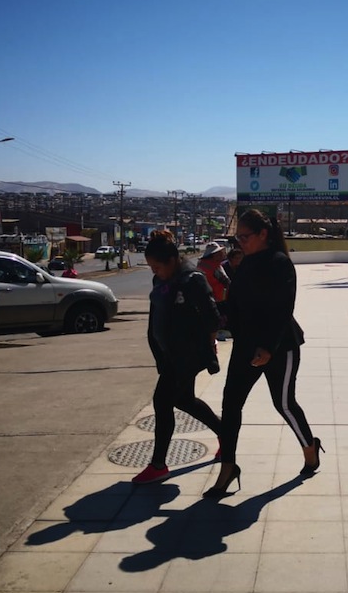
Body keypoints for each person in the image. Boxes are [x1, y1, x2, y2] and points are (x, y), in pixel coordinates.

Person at [204, 209, 322, 498]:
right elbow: (237, 306)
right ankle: (228, 467)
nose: (239, 242)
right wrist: (213, 316)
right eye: (237, 237)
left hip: (281, 347)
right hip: (247, 346)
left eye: (244, 237)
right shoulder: (246, 264)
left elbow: (283, 310)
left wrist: (268, 347)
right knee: (231, 404)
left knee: (283, 403)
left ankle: (310, 446)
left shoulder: (280, 264)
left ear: (263, 235)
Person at [132, 231, 223, 484]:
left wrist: (208, 347)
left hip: (188, 354)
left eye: (158, 267)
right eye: (152, 267)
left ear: (173, 260)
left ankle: (158, 465)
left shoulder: (192, 279)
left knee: (162, 402)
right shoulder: (160, 281)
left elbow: (213, 317)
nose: (155, 272)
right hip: (169, 353)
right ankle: (225, 433)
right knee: (184, 400)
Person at [198, 242, 231, 339]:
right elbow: (227, 282)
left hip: (209, 298)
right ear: (213, 255)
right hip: (217, 299)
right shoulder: (213, 267)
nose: (222, 255)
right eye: (219, 253)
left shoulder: (202, 265)